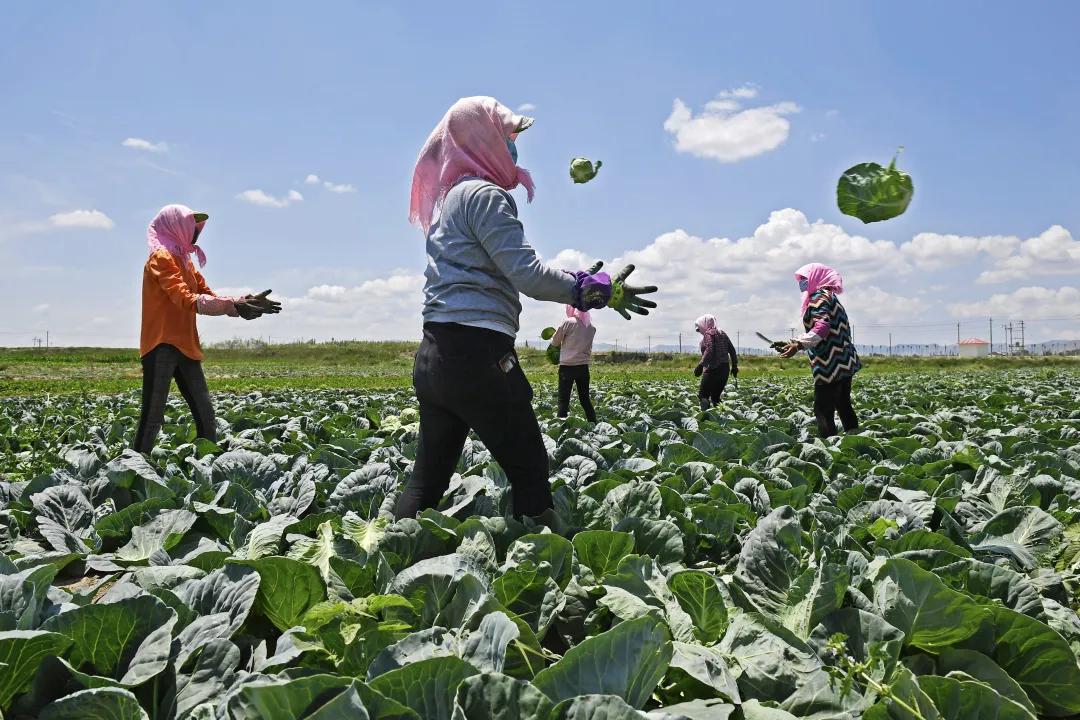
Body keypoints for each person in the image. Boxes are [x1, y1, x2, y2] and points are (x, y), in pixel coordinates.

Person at [395, 96, 657, 520]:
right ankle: (546, 575)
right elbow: (528, 275)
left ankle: (388, 556)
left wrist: (578, 281)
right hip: (478, 355)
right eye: (507, 137)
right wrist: (589, 291)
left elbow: (499, 267)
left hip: (434, 357)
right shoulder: (485, 195)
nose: (514, 148)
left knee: (428, 480)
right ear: (483, 140)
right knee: (530, 470)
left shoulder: (451, 202)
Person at [133, 204, 280, 453]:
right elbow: (186, 299)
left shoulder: (185, 262)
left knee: (206, 416)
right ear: (174, 226)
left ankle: (206, 472)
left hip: (186, 346)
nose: (196, 232)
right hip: (161, 345)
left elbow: (209, 296)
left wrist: (244, 304)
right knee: (152, 418)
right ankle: (134, 473)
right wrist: (233, 304)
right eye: (192, 226)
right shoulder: (161, 258)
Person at [779, 262, 861, 437]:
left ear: (816, 278)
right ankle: (856, 441)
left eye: (804, 279)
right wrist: (797, 341)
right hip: (845, 361)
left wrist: (798, 344)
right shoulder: (830, 296)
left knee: (822, 409)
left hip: (829, 365)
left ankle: (830, 448)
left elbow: (822, 327)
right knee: (843, 404)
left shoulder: (818, 297)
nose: (801, 283)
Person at [552, 305, 597, 423]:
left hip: (567, 368)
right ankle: (594, 424)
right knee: (585, 400)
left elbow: (555, 342)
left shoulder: (568, 322)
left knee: (563, 401)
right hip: (583, 368)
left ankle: (560, 429)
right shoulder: (591, 327)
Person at [693, 314, 738, 410]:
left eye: (698, 329)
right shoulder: (722, 333)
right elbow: (732, 350)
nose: (699, 331)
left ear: (703, 325)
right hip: (725, 369)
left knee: (703, 396)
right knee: (715, 398)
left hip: (712, 369)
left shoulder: (708, 334)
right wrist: (734, 366)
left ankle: (704, 420)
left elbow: (710, 349)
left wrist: (701, 365)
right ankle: (721, 421)